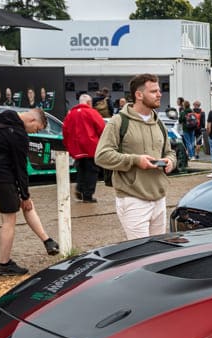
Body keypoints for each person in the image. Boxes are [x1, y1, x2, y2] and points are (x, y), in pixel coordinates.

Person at [94, 73, 176, 240]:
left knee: (158, 251)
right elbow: (101, 156)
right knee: (140, 253)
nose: (159, 94)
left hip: (159, 197)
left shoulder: (158, 122)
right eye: (153, 91)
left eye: (159, 90)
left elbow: (170, 152)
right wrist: (135, 160)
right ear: (139, 95)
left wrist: (170, 161)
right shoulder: (118, 121)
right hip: (133, 199)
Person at [0, 107, 59, 275]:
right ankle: (4, 264)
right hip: (2, 178)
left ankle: (47, 240)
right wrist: (25, 194)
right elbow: (20, 168)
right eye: (36, 128)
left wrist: (24, 196)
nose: (33, 132)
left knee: (24, 204)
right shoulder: (18, 134)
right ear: (32, 120)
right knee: (10, 220)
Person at [62, 93, 106, 204]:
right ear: (89, 103)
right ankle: (88, 195)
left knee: (81, 170)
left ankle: (80, 189)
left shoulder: (70, 114)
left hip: (77, 149)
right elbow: (101, 128)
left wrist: (69, 146)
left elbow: (65, 132)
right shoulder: (92, 113)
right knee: (92, 171)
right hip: (91, 147)